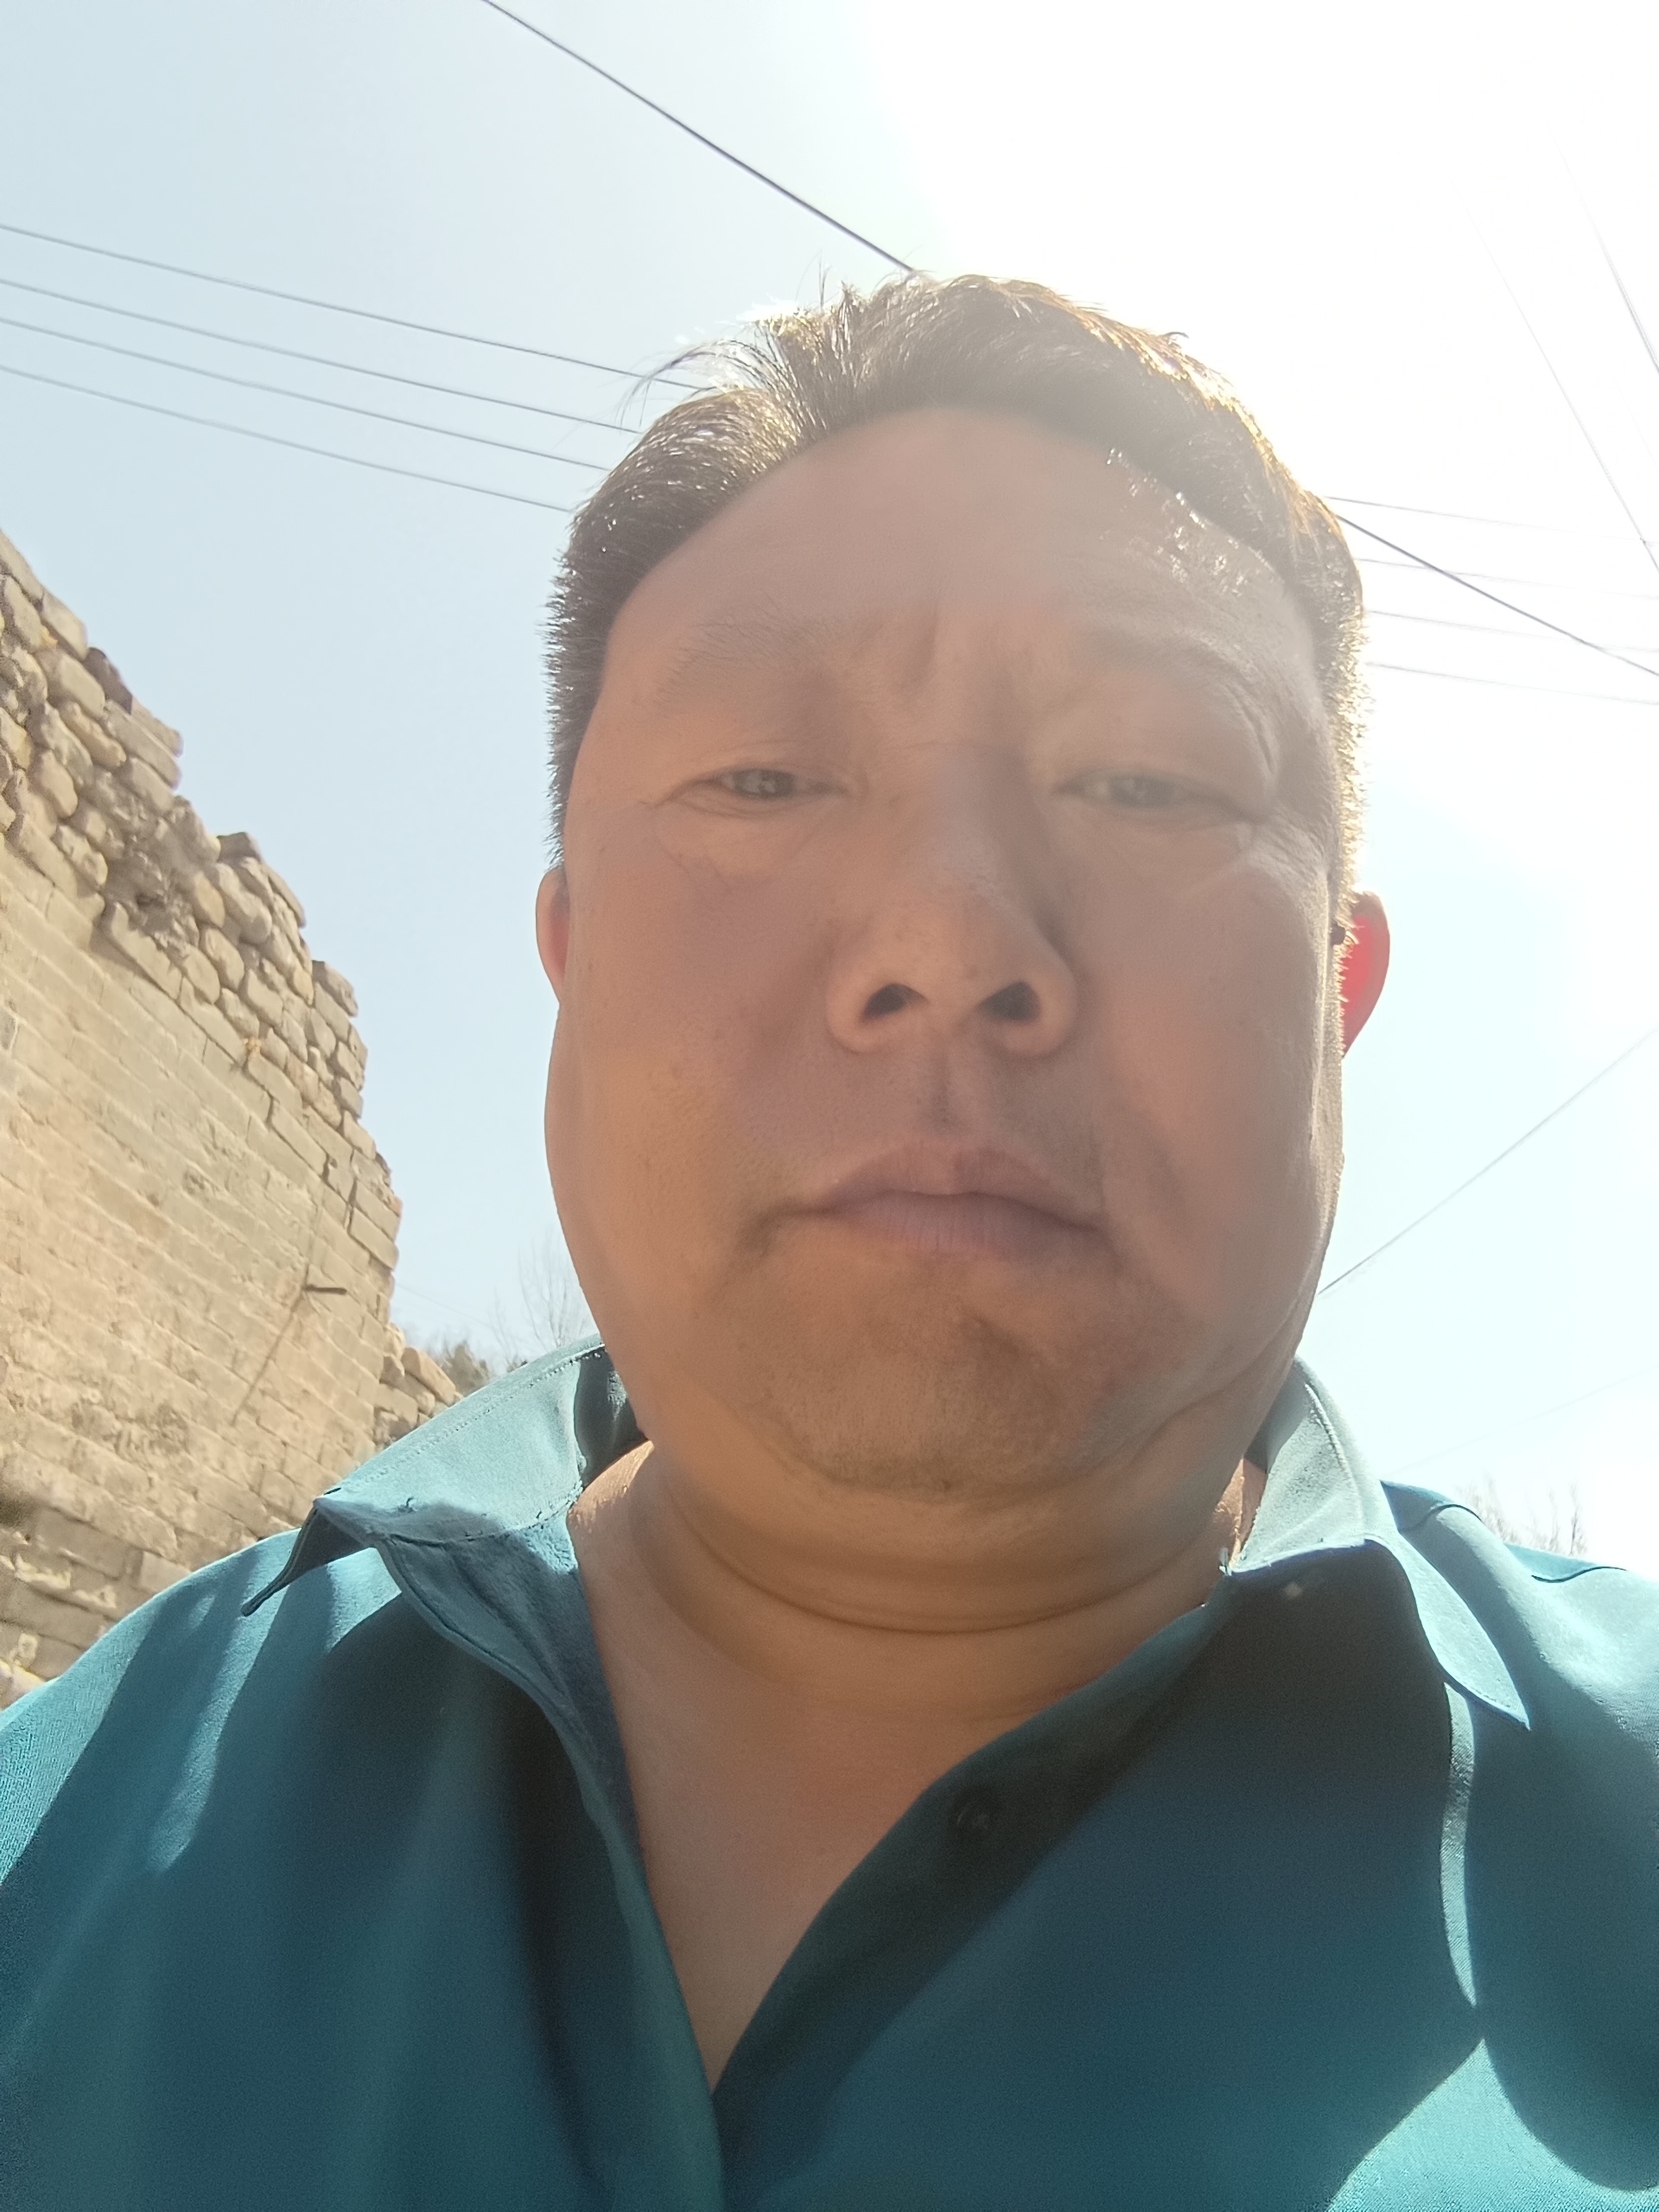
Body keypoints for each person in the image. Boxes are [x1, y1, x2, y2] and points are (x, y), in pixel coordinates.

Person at [3, 275, 1656, 2212]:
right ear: (569, 958)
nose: (947, 942)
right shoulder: (61, 1837)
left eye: (1153, 780)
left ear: (1337, 989)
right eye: (761, 779)